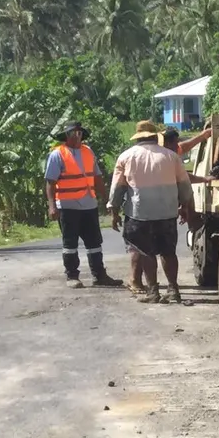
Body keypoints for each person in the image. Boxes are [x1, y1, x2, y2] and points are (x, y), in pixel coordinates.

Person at [109, 120, 201, 305]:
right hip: (167, 212)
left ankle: (153, 292)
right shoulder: (171, 157)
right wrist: (185, 207)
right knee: (168, 252)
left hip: (139, 214)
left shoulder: (126, 157)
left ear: (138, 138)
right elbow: (185, 186)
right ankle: (173, 289)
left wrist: (114, 212)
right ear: (155, 136)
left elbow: (117, 189)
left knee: (146, 253)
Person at [43, 121, 123, 289]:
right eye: (73, 132)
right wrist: (52, 206)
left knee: (94, 242)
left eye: (79, 132)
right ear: (67, 135)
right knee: (70, 243)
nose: (77, 135)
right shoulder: (57, 154)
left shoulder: (88, 152)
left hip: (89, 204)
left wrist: (108, 199)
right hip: (67, 206)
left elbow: (97, 177)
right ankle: (72, 276)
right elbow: (50, 182)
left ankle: (99, 275)